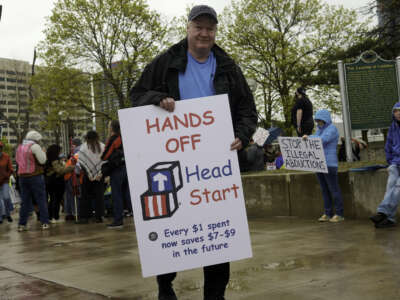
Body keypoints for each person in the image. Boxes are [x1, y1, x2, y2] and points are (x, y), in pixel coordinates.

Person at [130, 4, 257, 300]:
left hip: (216, 164)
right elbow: (137, 96)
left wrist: (242, 134)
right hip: (172, 158)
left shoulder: (228, 67)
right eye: (198, 27)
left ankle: (215, 295)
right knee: (171, 221)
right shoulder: (165, 62)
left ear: (215, 32)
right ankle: (165, 286)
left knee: (218, 233)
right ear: (187, 28)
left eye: (210, 28)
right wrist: (158, 98)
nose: (204, 33)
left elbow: (248, 111)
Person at [303, 109, 344, 223]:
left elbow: (322, 140)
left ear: (325, 119)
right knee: (325, 190)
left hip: (329, 164)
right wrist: (308, 138)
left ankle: (339, 213)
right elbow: (315, 137)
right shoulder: (319, 130)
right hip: (319, 163)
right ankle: (328, 212)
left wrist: (308, 138)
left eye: (320, 120)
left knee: (333, 189)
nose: (318, 122)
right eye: (317, 120)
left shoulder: (332, 129)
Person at [370, 102, 400, 228]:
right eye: (396, 111)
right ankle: (389, 218)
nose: (398, 113)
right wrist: (390, 161)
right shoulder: (392, 127)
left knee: (399, 186)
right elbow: (388, 146)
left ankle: (383, 213)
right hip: (395, 163)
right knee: (390, 185)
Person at [15, 130, 50, 231]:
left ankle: (22, 224)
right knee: (41, 199)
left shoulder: (20, 147)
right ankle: (44, 222)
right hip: (35, 176)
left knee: (25, 201)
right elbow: (43, 160)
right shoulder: (35, 146)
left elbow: (18, 161)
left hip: (22, 177)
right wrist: (43, 151)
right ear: (36, 139)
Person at [101, 120, 131, 229]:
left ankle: (118, 220)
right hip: (126, 168)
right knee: (127, 194)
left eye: (109, 126)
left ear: (112, 128)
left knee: (116, 195)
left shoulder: (113, 139)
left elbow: (105, 156)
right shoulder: (125, 137)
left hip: (116, 170)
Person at [77, 130, 105, 224]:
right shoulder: (102, 146)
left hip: (86, 176)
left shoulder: (84, 147)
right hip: (100, 176)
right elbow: (105, 161)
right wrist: (100, 174)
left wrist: (88, 174)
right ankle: (99, 216)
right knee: (99, 196)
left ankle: (85, 217)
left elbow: (81, 162)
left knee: (85, 196)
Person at [45, 144, 75, 223]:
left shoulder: (48, 159)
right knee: (55, 199)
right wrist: (72, 167)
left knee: (53, 199)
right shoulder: (54, 160)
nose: (60, 152)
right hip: (56, 182)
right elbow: (60, 170)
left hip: (50, 182)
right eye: (59, 150)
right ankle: (53, 216)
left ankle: (52, 216)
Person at [64, 138, 82, 221]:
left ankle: (74, 213)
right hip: (70, 177)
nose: (71, 148)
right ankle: (71, 213)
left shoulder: (77, 154)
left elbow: (76, 168)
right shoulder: (75, 154)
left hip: (73, 177)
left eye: (72, 146)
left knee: (73, 196)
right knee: (70, 196)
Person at [0, 141, 13, 224]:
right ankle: (0, 217)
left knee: (6, 197)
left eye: (0, 147)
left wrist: (6, 175)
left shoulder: (6, 156)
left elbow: (11, 169)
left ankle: (8, 214)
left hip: (4, 181)